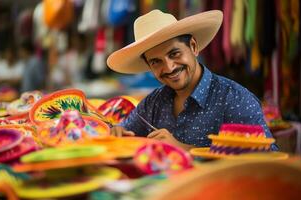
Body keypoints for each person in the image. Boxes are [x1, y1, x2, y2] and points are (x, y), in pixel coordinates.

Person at [107, 10, 278, 151]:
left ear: (194, 47)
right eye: (156, 61)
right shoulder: (153, 103)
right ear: (149, 66)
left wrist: (183, 149)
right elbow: (124, 130)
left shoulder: (235, 99)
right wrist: (119, 132)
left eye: (174, 54)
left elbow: (268, 162)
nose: (169, 68)